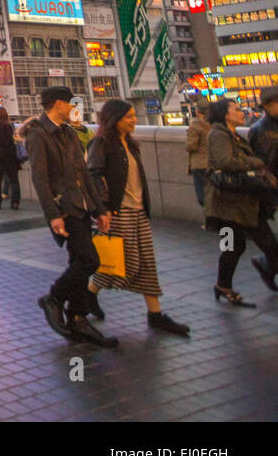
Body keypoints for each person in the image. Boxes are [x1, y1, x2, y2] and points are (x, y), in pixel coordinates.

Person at [85, 99, 190, 336]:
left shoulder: (130, 144)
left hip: (139, 210)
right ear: (114, 119)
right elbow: (93, 173)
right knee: (122, 262)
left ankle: (155, 314)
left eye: (134, 116)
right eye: (129, 117)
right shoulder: (101, 143)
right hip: (118, 212)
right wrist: (104, 208)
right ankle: (87, 294)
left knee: (146, 263)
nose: (134, 120)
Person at [27, 86, 115, 348]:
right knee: (89, 260)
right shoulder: (38, 134)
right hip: (64, 209)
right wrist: (53, 215)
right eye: (70, 103)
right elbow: (40, 180)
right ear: (58, 104)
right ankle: (53, 297)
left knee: (79, 260)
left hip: (81, 206)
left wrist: (99, 209)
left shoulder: (68, 133)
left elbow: (84, 173)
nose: (73, 108)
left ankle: (77, 317)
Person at [206, 98, 278, 305]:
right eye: (236, 109)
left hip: (244, 204)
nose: (241, 112)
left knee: (267, 244)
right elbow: (223, 161)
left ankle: (261, 268)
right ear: (224, 114)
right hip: (225, 206)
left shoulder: (234, 136)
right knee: (231, 247)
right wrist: (255, 162)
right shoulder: (218, 135)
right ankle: (223, 286)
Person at [185, 100, 212, 211]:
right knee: (212, 193)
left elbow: (190, 146)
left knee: (202, 196)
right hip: (212, 164)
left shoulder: (196, 126)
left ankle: (210, 220)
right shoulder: (214, 124)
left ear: (197, 111)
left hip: (199, 165)